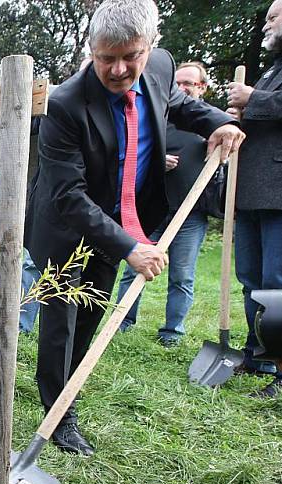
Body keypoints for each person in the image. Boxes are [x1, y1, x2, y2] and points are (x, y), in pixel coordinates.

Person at [24, 0, 243, 455]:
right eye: (107, 58)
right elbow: (68, 195)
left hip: (122, 218)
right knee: (61, 322)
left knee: (90, 317)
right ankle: (57, 416)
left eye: (131, 56)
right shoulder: (64, 104)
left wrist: (220, 121)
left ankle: (71, 392)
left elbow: (180, 105)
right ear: (91, 49)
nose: (120, 69)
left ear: (150, 48)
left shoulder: (160, 68)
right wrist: (130, 248)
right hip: (65, 224)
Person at [115, 61, 225, 347]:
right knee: (133, 268)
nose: (183, 88)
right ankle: (122, 322)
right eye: (178, 83)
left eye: (190, 83)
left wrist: (228, 128)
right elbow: (131, 154)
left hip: (190, 214)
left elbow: (223, 166)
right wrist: (155, 163)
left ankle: (172, 332)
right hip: (150, 209)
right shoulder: (156, 118)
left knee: (182, 275)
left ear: (202, 88)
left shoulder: (210, 125)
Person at [226, 0, 282, 395]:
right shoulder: (274, 69)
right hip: (250, 191)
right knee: (250, 279)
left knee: (277, 284)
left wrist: (253, 99)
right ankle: (259, 355)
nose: (266, 24)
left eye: (273, 16)